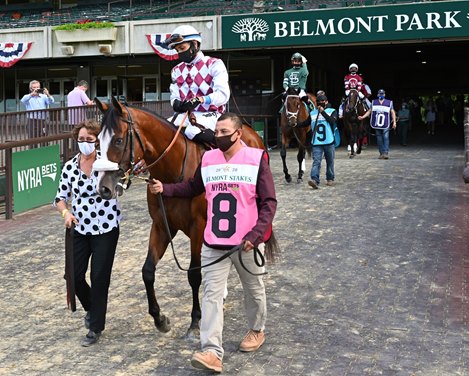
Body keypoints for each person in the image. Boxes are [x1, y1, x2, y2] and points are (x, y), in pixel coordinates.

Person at [148, 113, 277, 373]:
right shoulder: (208, 159)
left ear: (238, 134)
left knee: (253, 290)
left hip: (246, 243)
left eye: (223, 132)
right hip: (214, 241)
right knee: (211, 295)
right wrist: (166, 189)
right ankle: (211, 351)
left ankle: (256, 329)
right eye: (216, 131)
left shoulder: (256, 158)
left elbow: (269, 202)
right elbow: (193, 187)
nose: (217, 136)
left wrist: (256, 234)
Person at [54, 120, 121, 347]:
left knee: (99, 277)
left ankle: (95, 327)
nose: (84, 143)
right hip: (79, 227)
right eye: (80, 139)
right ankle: (93, 309)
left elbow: (121, 186)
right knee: (73, 275)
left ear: (97, 140)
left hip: (106, 227)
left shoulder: (107, 163)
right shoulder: (70, 166)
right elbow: (60, 197)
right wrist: (66, 214)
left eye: (89, 140)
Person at [165, 25, 230, 146]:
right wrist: (176, 103)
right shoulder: (176, 70)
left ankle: (224, 152)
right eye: (177, 50)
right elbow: (174, 96)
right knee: (162, 128)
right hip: (186, 115)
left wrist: (201, 100)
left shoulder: (214, 63)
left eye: (182, 48)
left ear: (194, 44)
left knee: (192, 130)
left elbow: (223, 95)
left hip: (212, 113)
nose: (180, 52)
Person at [297, 94, 338, 189]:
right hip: (316, 142)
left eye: (322, 101)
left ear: (326, 102)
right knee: (316, 161)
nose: (320, 103)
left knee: (330, 161)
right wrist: (296, 124)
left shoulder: (332, 111)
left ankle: (330, 178)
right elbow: (305, 123)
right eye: (318, 102)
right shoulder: (312, 113)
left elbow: (332, 121)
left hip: (329, 141)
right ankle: (315, 179)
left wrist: (323, 112)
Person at [359, 89, 396, 159]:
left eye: (382, 94)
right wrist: (362, 117)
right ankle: (381, 153)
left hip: (385, 123)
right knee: (379, 139)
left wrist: (394, 122)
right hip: (377, 124)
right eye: (380, 94)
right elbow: (369, 111)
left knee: (385, 137)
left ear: (384, 95)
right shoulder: (374, 102)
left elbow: (392, 112)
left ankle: (385, 152)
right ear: (377, 95)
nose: (381, 95)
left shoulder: (389, 102)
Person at [20, 80, 54, 148]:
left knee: (44, 138)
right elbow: (23, 100)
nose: (36, 89)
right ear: (30, 88)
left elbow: (52, 101)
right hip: (32, 120)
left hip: (42, 120)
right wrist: (31, 94)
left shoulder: (43, 96)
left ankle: (44, 153)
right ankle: (33, 155)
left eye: (38, 87)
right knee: (32, 139)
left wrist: (48, 94)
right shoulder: (28, 97)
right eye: (34, 87)